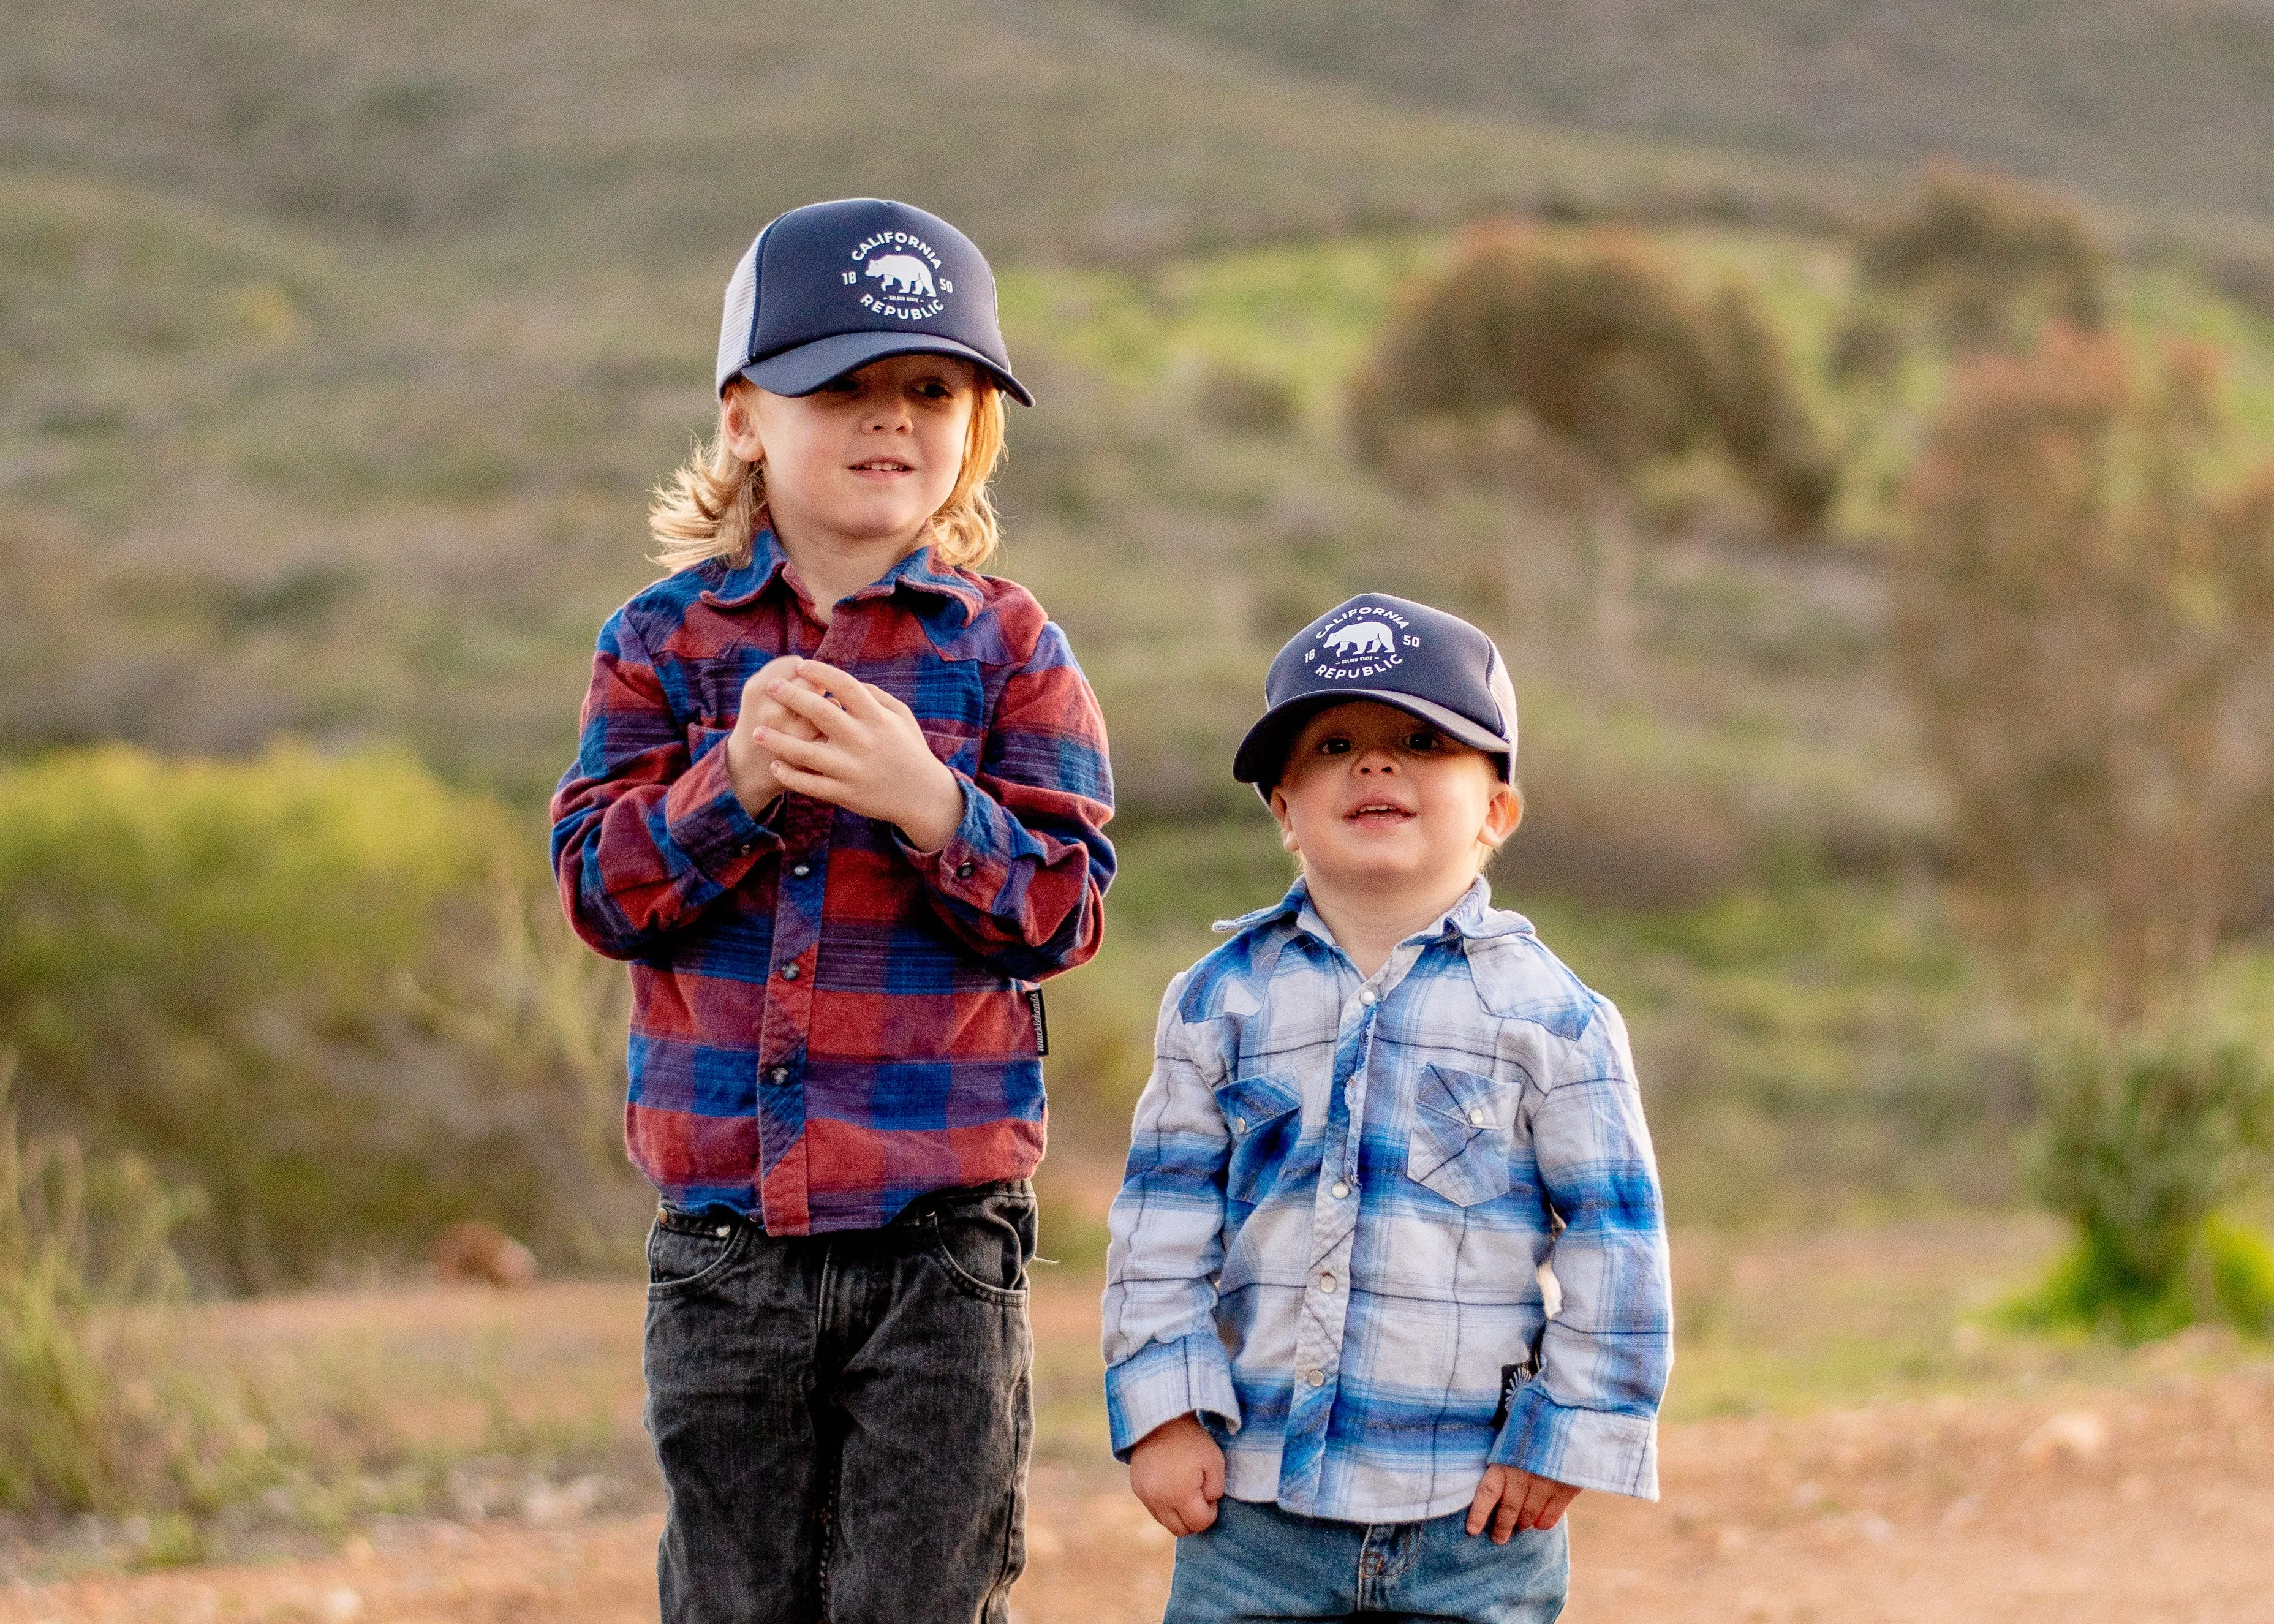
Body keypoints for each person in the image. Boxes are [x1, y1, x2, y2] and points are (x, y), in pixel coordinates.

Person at [550, 197, 1114, 1624]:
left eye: (930, 389)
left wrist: (929, 801)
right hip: (724, 1244)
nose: (890, 420)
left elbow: (1059, 909)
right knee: (731, 1595)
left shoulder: (1010, 648)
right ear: (744, 416)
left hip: (942, 1248)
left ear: (977, 426)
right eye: (841, 385)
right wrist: (727, 777)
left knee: (921, 1599)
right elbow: (598, 890)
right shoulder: (660, 643)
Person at [1101, 594, 1671, 1623]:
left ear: (1496, 808)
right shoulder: (1217, 1000)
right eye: (1334, 743)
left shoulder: (1556, 1020)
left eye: (1420, 739)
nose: (1375, 764)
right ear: (1283, 806)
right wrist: (1164, 1412)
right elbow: (1160, 1227)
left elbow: (1615, 1242)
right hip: (1252, 1515)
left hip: (1476, 1525)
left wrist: (1570, 1432)